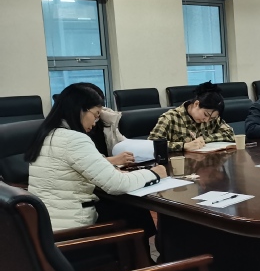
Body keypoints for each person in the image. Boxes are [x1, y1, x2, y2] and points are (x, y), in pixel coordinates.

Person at [25, 83, 167, 232]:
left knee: (128, 209)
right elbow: (117, 184)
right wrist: (154, 173)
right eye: (96, 115)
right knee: (134, 213)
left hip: (47, 223)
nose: (94, 123)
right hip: (71, 230)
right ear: (81, 109)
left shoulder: (47, 134)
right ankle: (151, 246)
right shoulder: (74, 139)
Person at [149, 81, 235, 152]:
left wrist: (204, 138)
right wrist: (184, 146)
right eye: (205, 115)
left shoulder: (212, 119)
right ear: (196, 104)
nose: (206, 120)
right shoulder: (170, 118)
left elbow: (230, 134)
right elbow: (151, 145)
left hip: (206, 163)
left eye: (212, 118)